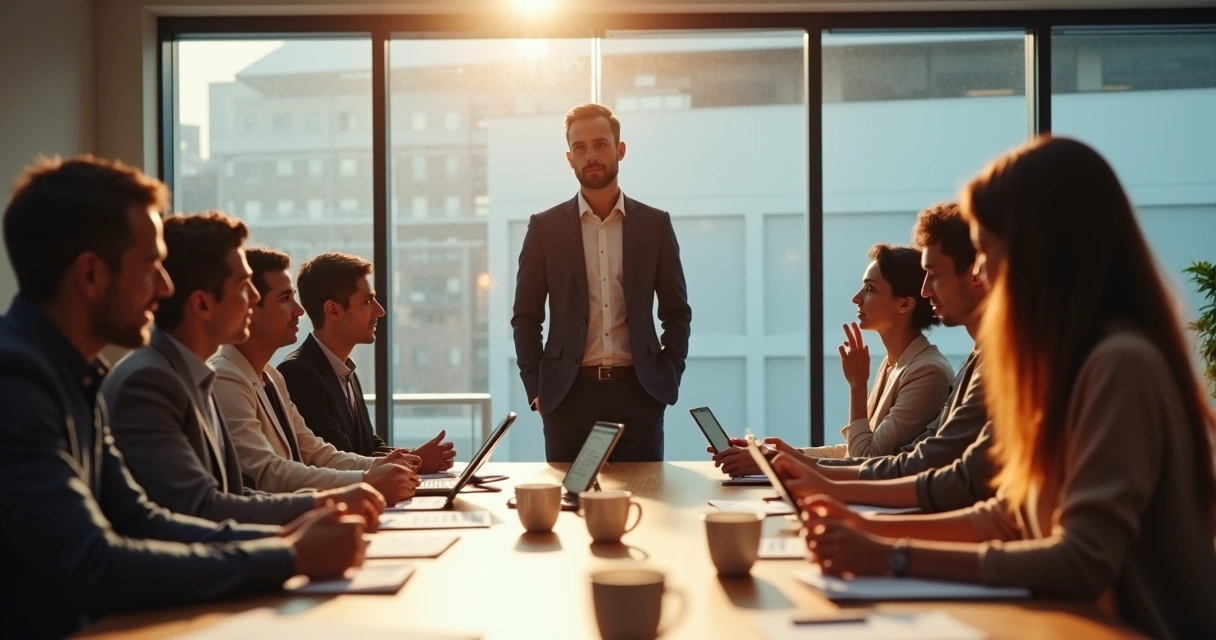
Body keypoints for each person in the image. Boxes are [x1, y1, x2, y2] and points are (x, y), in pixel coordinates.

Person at [792, 137, 1216, 640]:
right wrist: (865, 529)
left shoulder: (1119, 364)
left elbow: (1082, 560)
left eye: (988, 249)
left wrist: (891, 554)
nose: (980, 272)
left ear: (1040, 252)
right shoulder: (1061, 363)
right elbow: (1007, 516)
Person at [0, 156, 365, 637]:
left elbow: (137, 517)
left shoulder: (79, 375)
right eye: (152, 268)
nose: (166, 287)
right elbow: (94, 564)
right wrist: (290, 552)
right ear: (91, 276)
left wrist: (286, 540)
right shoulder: (17, 381)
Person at [103, 212, 386, 526]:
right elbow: (204, 508)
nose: (252, 298)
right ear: (202, 305)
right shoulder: (156, 380)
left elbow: (235, 493)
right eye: (243, 286)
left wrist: (340, 497)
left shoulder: (200, 376)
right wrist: (301, 538)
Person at [714, 203, 985, 481]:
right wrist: (780, 455)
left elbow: (868, 458)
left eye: (870, 289)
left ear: (905, 303)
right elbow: (855, 451)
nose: (856, 298)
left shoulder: (928, 371)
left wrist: (857, 387)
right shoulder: (895, 365)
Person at [511, 103, 692, 462]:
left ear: (620, 149)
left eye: (600, 144)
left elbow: (676, 312)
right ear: (569, 158)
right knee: (570, 509)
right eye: (580, 148)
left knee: (647, 501)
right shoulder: (545, 228)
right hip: (567, 397)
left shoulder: (654, 225)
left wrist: (668, 374)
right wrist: (537, 387)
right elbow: (526, 317)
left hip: (640, 394)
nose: (590, 155)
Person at [211, 247, 421, 503]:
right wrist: (366, 480)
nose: (299, 311)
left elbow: (316, 452)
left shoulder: (272, 377)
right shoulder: (225, 377)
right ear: (250, 308)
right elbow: (267, 473)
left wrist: (382, 467)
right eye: (285, 298)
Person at [278, 251, 456, 470]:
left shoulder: (344, 369)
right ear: (333, 310)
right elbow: (340, 459)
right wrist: (416, 461)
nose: (379, 311)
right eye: (367, 301)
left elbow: (369, 447)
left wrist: (415, 456)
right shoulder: (298, 374)